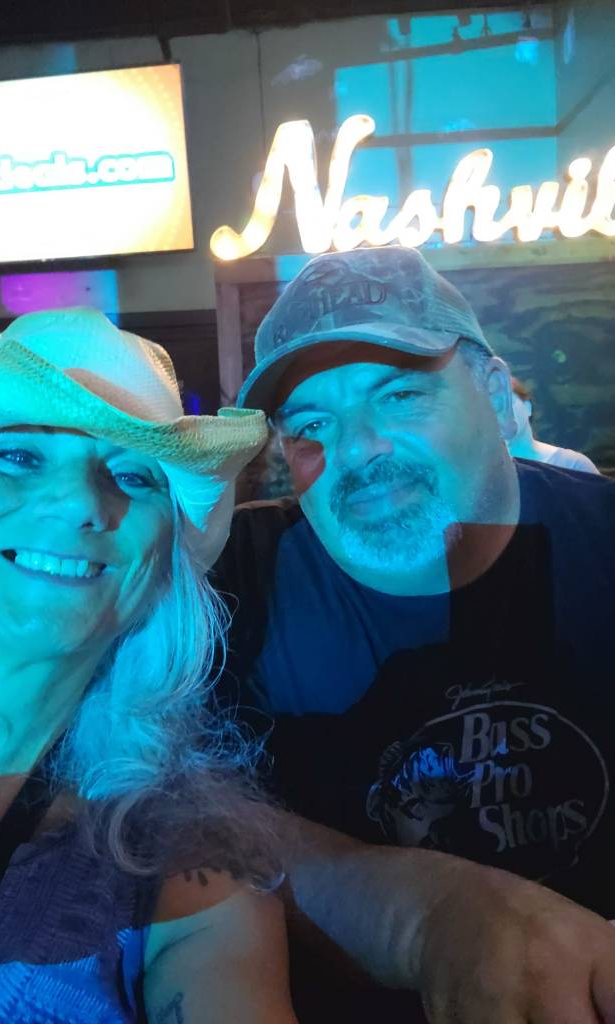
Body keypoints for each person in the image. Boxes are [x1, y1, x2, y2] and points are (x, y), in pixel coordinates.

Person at [0, 308, 297, 1023]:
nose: (84, 501)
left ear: (161, 567)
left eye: (135, 475)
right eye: (19, 456)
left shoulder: (188, 869)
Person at [212, 247, 615, 1023]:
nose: (357, 448)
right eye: (311, 425)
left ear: (496, 397)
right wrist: (421, 917)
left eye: (398, 395)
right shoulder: (235, 587)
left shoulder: (603, 542)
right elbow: (171, 820)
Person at [508, 376, 600, 473]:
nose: (501, 413)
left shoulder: (573, 465)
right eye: (495, 407)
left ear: (527, 406)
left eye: (508, 403)